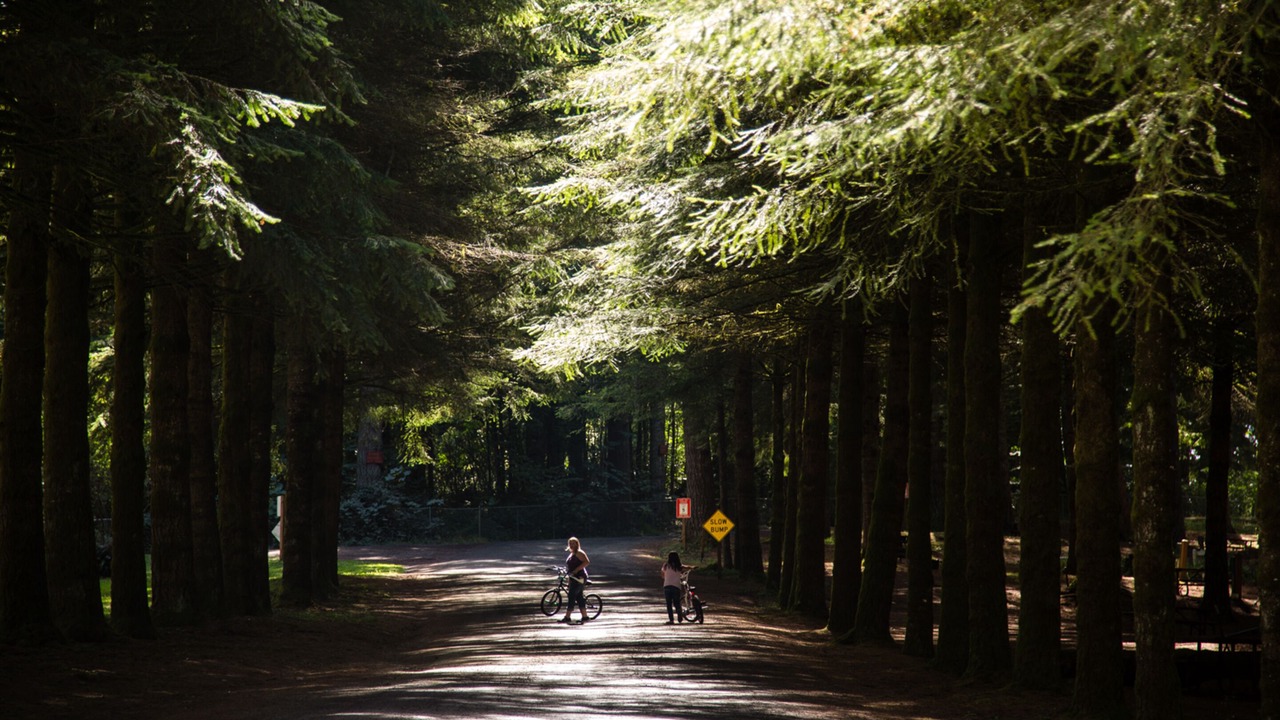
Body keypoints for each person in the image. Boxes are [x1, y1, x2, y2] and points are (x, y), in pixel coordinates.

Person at [558, 537, 591, 624]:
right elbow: (570, 569)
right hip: (573, 578)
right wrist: (569, 581)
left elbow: (587, 562)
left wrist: (577, 570)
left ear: (577, 544)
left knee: (571, 595)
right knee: (579, 597)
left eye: (574, 543)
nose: (572, 545)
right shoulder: (571, 554)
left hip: (580, 578)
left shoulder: (580, 552)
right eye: (570, 543)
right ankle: (585, 616)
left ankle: (567, 617)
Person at [661, 551, 695, 624]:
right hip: (676, 586)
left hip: (667, 586)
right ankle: (679, 615)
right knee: (677, 603)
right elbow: (687, 567)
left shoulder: (666, 566)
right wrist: (692, 567)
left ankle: (671, 620)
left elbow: (662, 575)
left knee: (669, 604)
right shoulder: (679, 566)